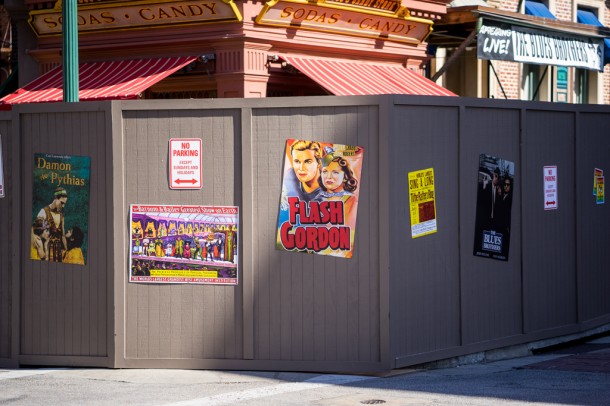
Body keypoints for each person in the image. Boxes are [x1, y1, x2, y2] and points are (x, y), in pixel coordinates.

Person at [37, 187, 68, 262]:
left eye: (64, 204)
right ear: (56, 199)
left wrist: (66, 250)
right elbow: (36, 234)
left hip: (58, 251)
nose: (63, 206)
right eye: (62, 203)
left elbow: (63, 235)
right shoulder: (43, 212)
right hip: (46, 250)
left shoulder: (61, 215)